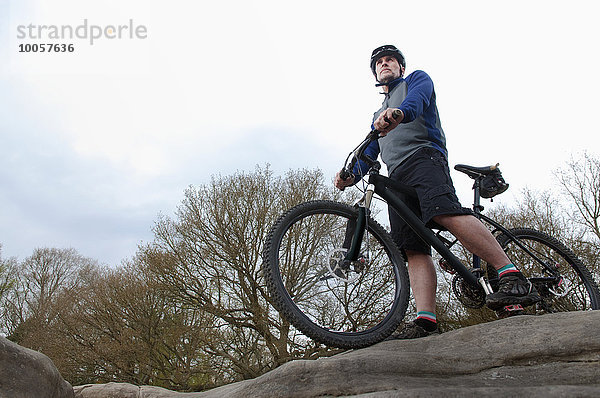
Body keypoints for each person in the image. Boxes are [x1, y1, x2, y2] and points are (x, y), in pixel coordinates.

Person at [335, 45, 540, 339]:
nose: (384, 64)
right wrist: (348, 175)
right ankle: (426, 320)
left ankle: (511, 275)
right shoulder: (377, 114)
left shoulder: (416, 80)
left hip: (424, 158)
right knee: (413, 247)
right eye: (379, 62)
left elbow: (416, 103)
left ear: (400, 67)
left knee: (444, 212)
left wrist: (399, 112)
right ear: (375, 74)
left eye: (390, 60)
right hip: (398, 175)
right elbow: (369, 152)